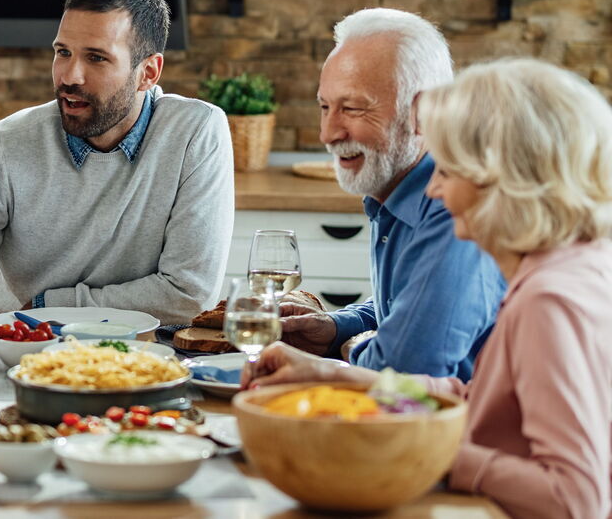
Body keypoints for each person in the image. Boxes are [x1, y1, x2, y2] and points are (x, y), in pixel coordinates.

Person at [243, 58, 612, 519]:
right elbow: (472, 399)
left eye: (448, 170)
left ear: (503, 181)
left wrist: (430, 453)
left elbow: (575, 499)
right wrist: (334, 376)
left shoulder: (549, 300)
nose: (434, 189)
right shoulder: (567, 266)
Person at [0, 0, 234, 333]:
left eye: (96, 58)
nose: (70, 76)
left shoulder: (195, 131)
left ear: (148, 72)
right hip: (25, 354)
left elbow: (189, 296)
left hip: (150, 360)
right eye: (63, 52)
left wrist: (47, 305)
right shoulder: (7, 141)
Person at [280, 8, 504, 379]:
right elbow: (409, 304)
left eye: (351, 108)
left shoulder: (454, 207)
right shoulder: (397, 189)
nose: (328, 133)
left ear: (424, 113)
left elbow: (401, 368)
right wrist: (337, 328)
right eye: (325, 107)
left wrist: (357, 348)